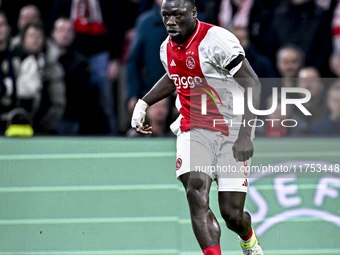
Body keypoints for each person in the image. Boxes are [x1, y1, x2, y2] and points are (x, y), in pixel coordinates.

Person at [131, 0, 263, 254]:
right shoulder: (165, 48)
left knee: (232, 214)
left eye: (177, 15)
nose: (170, 21)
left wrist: (246, 135)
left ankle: (248, 240)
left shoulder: (217, 40)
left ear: (193, 13)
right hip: (194, 126)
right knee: (195, 189)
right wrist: (144, 103)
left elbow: (253, 84)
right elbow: (174, 75)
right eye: (166, 15)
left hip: (232, 128)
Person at [51, 17, 103, 135]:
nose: (65, 34)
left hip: (70, 119)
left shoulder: (80, 63)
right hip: (48, 117)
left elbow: (84, 99)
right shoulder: (44, 59)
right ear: (53, 33)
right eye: (61, 30)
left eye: (69, 31)